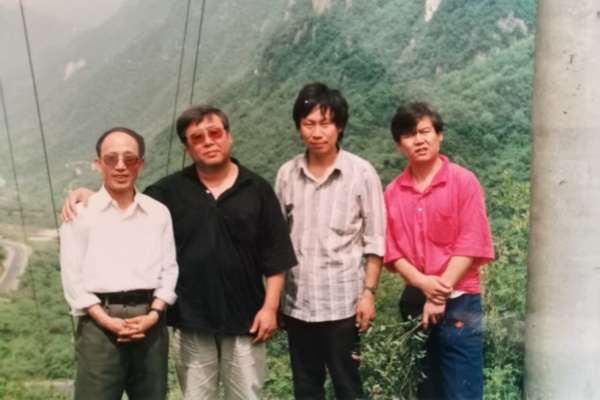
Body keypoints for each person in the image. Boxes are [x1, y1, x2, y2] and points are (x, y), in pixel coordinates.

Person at [62, 106, 298, 400]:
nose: (208, 142)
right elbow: (125, 198)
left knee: (246, 396)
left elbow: (276, 256)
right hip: (191, 321)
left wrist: (270, 308)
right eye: (197, 137)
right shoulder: (169, 191)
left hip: (246, 318)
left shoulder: (257, 189)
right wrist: (87, 195)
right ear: (187, 148)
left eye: (215, 133)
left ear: (229, 136)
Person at [275, 83, 386, 400]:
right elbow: (277, 241)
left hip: (344, 306)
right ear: (299, 127)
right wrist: (276, 299)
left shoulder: (361, 173)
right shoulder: (286, 174)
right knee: (306, 388)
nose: (316, 132)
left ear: (339, 126)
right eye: (308, 123)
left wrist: (368, 295)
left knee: (348, 387)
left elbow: (375, 240)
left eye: (325, 123)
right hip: (298, 305)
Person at [383, 102, 495, 400]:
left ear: (439, 135)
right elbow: (391, 250)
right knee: (426, 390)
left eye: (425, 131)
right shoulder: (392, 193)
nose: (419, 140)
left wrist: (437, 294)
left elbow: (471, 242)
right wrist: (422, 283)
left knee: (462, 392)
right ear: (399, 145)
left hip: (460, 301)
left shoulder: (463, 181)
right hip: (414, 300)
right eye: (409, 134)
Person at [60, 127, 178, 400]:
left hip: (149, 322)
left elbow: (169, 269)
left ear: (141, 163)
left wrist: (154, 314)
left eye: (130, 158)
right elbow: (73, 277)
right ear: (98, 163)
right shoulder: (80, 214)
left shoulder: (158, 213)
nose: (121, 166)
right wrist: (106, 320)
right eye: (111, 158)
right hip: (98, 323)